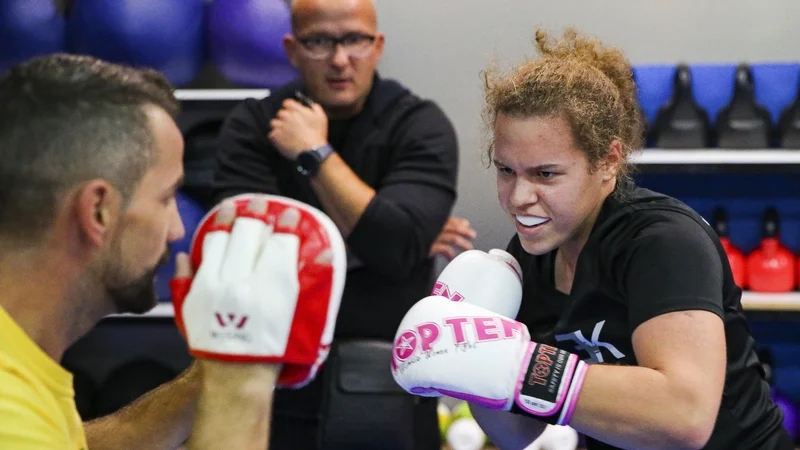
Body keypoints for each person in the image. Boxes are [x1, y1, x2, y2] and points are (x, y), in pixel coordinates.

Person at [389, 28, 793, 450]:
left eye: (546, 174)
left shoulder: (663, 242)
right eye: (506, 170)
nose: (518, 198)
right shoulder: (529, 258)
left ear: (608, 161)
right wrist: (473, 368)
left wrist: (518, 366)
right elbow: (517, 433)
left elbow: (686, 417)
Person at [0, 53, 340, 450]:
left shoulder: (19, 379)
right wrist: (240, 383)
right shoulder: (11, 413)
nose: (178, 228)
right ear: (98, 211)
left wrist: (207, 377)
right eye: (166, 198)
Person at [210, 0, 465, 447]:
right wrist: (382, 239)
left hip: (391, 387)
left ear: (378, 44)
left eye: (354, 39)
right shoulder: (253, 127)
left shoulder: (420, 125)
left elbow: (397, 243)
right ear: (292, 49)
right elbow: (246, 263)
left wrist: (315, 155)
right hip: (274, 388)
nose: (339, 58)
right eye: (319, 41)